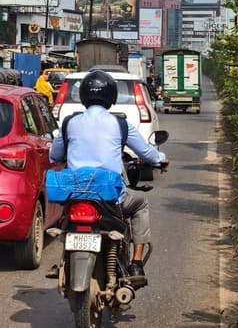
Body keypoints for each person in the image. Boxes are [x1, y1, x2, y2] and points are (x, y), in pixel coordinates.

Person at [50, 69, 168, 279]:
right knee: (141, 203)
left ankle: (63, 260)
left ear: (83, 96)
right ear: (111, 97)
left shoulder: (69, 123)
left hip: (75, 195)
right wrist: (161, 160)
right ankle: (136, 263)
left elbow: (55, 155)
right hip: (109, 198)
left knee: (65, 218)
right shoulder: (121, 125)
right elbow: (146, 152)